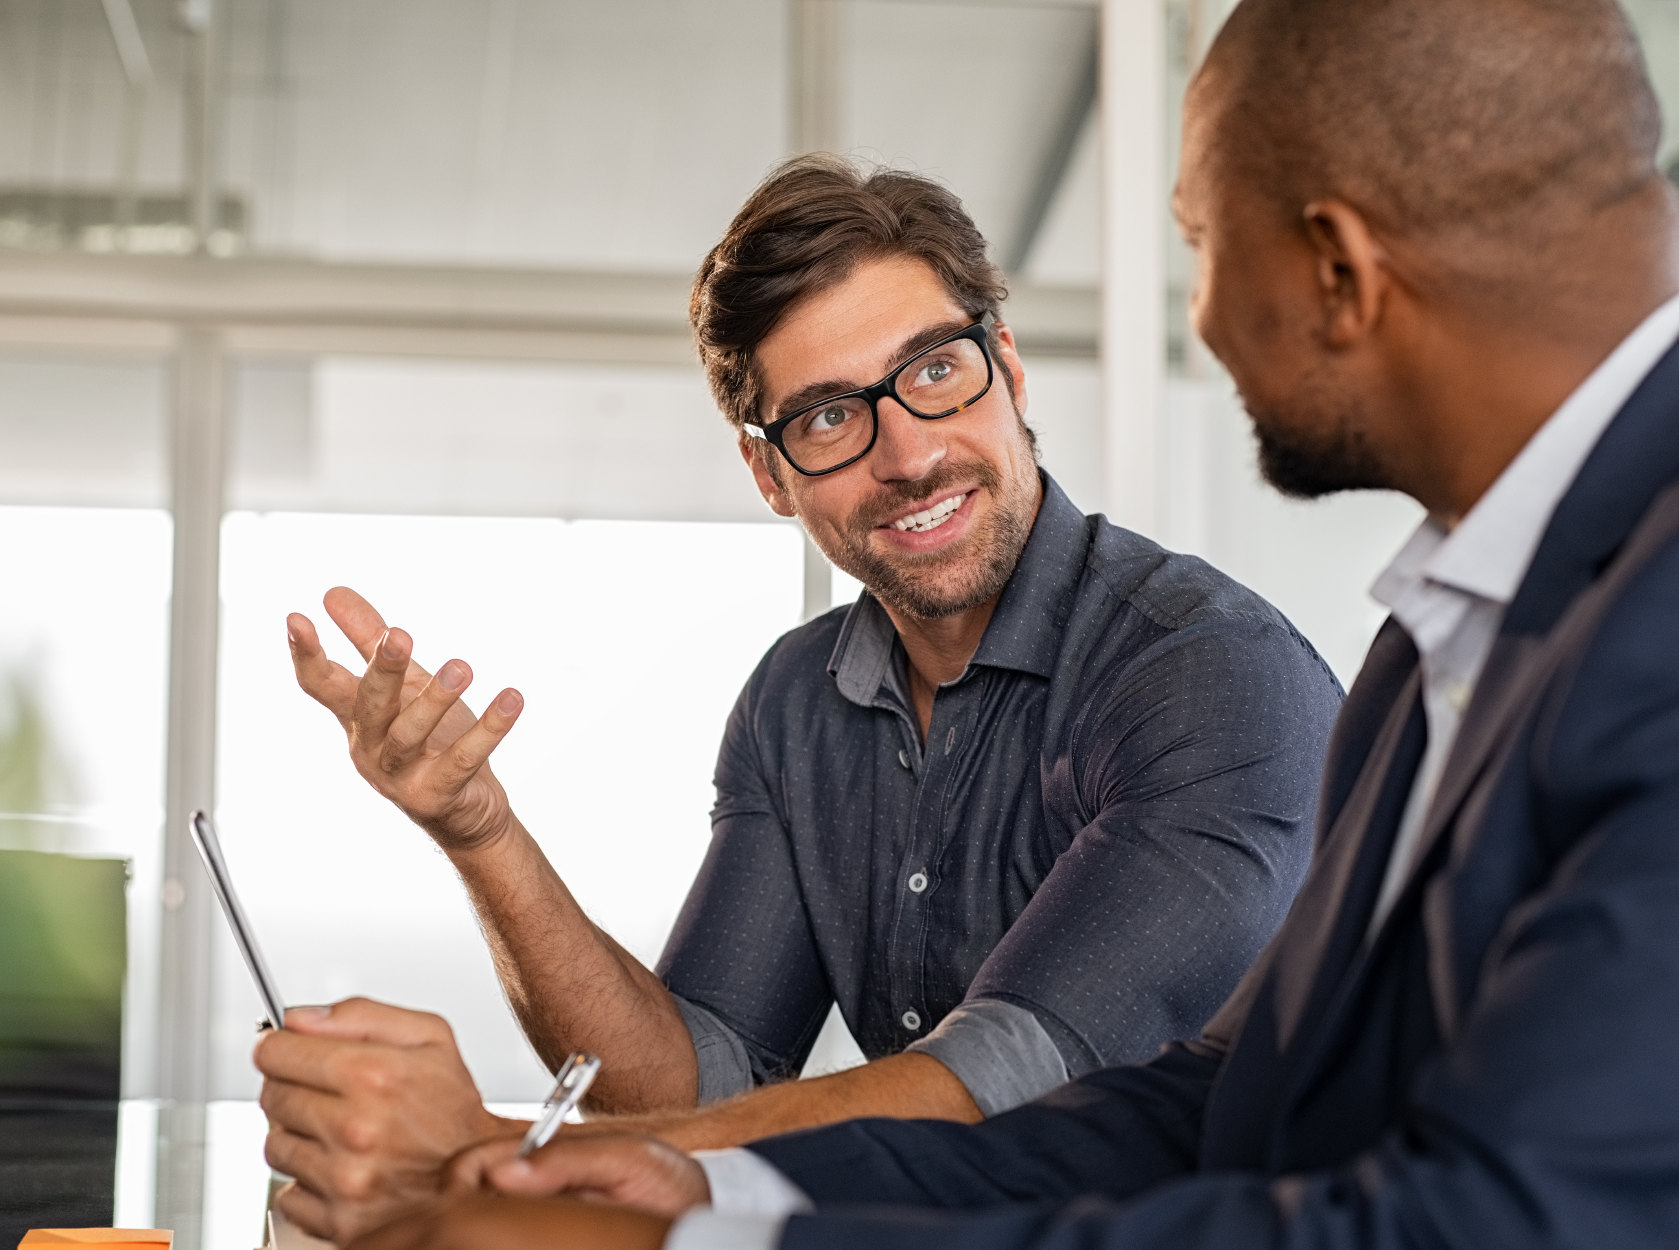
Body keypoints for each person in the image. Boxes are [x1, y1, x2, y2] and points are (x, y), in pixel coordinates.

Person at [346, 0, 1679, 1246]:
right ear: (771, 470)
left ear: (1333, 266)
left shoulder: (1260, 664)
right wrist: (697, 1189)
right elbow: (1205, 1104)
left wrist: (609, 1197)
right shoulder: (1436, 639)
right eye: (826, 417)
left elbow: (1484, 1219)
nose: (1203, 317)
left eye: (1201, 244)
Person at [257, 160, 1342, 1239]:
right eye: (828, 418)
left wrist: (483, 1158)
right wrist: (478, 828)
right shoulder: (795, 699)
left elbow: (998, 1079)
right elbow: (684, 1088)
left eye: (933, 372)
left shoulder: (1206, 671)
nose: (909, 453)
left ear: (1004, 367)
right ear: (767, 472)